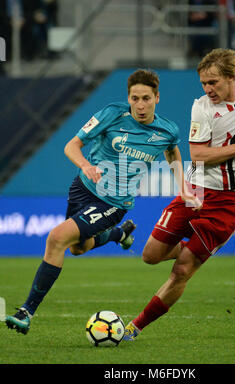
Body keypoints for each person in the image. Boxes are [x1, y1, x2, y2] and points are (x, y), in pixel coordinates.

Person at [6, 68, 199, 334]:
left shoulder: (166, 131)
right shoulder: (112, 114)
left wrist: (184, 188)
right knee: (77, 248)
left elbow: (172, 152)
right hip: (82, 189)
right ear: (128, 98)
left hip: (113, 203)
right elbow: (71, 145)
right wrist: (86, 166)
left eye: (146, 98)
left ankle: (26, 312)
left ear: (157, 98)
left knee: (56, 238)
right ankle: (119, 235)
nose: (140, 105)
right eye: (135, 98)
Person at [123, 48, 235, 341]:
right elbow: (197, 155)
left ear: (230, 77)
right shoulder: (201, 107)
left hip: (231, 202)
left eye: (213, 82)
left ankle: (133, 328)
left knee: (182, 269)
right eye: (203, 83)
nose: (207, 89)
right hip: (197, 192)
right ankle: (191, 249)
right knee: (150, 255)